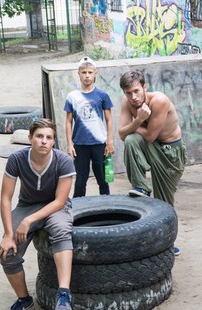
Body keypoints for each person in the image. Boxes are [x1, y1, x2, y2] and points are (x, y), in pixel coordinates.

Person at [0, 119, 76, 310]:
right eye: (39, 136)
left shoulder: (63, 161)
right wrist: (8, 234)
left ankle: (64, 293)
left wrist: (28, 221)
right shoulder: (17, 159)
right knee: (7, 252)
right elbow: (5, 198)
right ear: (30, 138)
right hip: (27, 206)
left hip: (55, 207)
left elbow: (60, 201)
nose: (44, 141)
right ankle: (24, 300)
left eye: (49, 138)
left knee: (60, 230)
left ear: (54, 141)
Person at [117, 70, 186, 255]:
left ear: (144, 87)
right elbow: (122, 135)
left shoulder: (159, 101)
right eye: (129, 93)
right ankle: (141, 186)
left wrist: (132, 125)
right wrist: (139, 120)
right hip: (151, 146)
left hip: (171, 152)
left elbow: (149, 135)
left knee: (164, 203)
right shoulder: (127, 102)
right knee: (131, 140)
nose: (133, 97)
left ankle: (168, 243)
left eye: (136, 91)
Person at [65, 56, 114, 198]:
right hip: (80, 145)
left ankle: (107, 205)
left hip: (99, 144)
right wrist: (69, 144)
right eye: (84, 72)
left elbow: (109, 120)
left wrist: (110, 142)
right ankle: (78, 207)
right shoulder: (72, 96)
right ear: (79, 74)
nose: (87, 76)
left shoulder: (102, 95)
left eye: (90, 72)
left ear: (95, 73)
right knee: (80, 180)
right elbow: (68, 121)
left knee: (103, 179)